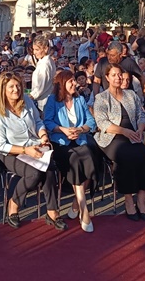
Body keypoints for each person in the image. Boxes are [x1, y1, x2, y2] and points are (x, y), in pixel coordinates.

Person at [0, 72, 66, 231]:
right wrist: (25, 150)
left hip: (33, 144)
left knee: (49, 168)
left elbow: (38, 121)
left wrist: (43, 135)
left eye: (18, 85)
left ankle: (52, 211)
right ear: (3, 90)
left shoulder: (28, 102)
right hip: (11, 151)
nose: (16, 89)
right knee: (34, 173)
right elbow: (0, 145)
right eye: (11, 86)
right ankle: (14, 203)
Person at [93, 64, 145, 221]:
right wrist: (124, 131)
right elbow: (102, 123)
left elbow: (141, 115)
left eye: (120, 75)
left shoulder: (131, 94)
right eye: (114, 75)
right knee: (126, 157)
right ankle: (128, 200)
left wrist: (140, 129)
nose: (118, 78)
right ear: (107, 78)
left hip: (133, 135)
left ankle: (141, 199)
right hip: (113, 137)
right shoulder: (101, 98)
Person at [44, 69, 100, 232]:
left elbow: (91, 121)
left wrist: (81, 129)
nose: (75, 83)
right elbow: (47, 122)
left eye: (74, 80)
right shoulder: (52, 100)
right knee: (75, 161)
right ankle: (84, 210)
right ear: (62, 84)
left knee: (90, 158)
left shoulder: (80, 99)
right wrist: (63, 130)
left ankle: (76, 205)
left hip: (80, 139)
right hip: (61, 143)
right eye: (70, 81)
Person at [30, 35, 56, 111]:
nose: (34, 52)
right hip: (44, 100)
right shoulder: (45, 61)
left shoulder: (45, 65)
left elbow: (40, 88)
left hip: (43, 103)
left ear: (45, 48)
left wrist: (28, 98)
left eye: (37, 50)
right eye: (34, 49)